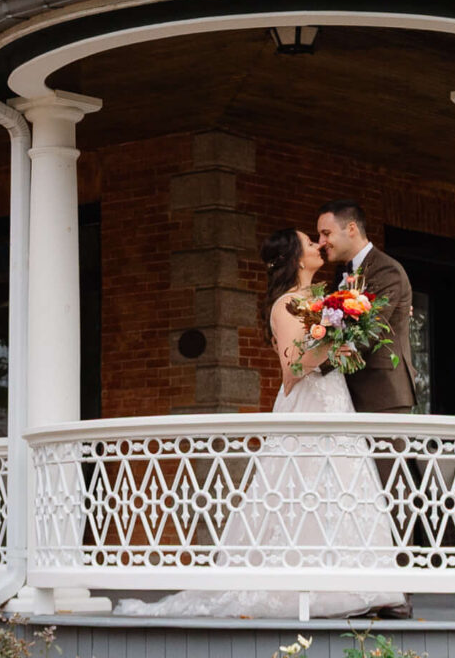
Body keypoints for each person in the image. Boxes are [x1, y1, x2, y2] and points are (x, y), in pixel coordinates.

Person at [112, 227, 402, 620]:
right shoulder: (286, 305)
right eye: (309, 242)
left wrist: (346, 333)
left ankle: (358, 584)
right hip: (307, 405)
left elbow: (338, 354)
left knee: (345, 488)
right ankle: (304, 588)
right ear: (298, 259)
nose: (319, 245)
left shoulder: (322, 298)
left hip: (335, 404)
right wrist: (334, 336)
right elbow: (292, 369)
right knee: (301, 492)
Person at [316, 202, 415, 413]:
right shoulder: (340, 275)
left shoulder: (387, 270)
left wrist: (314, 365)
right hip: (346, 393)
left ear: (351, 229)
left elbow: (369, 332)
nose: (321, 242)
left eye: (326, 233)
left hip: (382, 394)